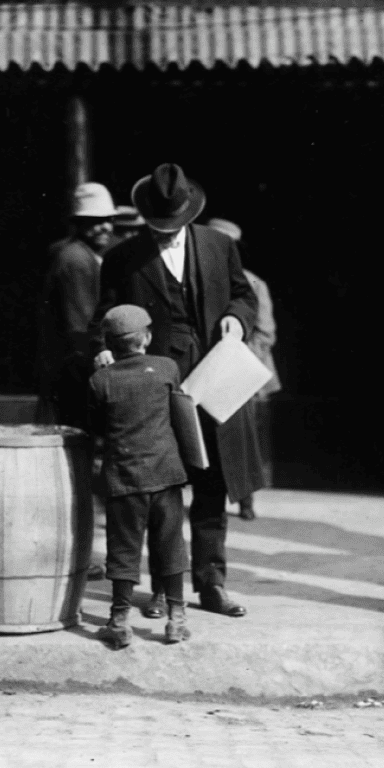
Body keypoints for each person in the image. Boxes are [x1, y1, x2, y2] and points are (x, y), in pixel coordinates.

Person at [91, 163, 264, 619]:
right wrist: (106, 350)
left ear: (190, 215)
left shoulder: (218, 245)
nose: (167, 235)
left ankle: (212, 584)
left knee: (212, 485)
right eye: (158, 228)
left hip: (216, 379)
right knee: (158, 491)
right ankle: (164, 589)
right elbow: (103, 319)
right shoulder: (122, 258)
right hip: (154, 390)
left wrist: (236, 319)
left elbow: (245, 296)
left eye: (174, 227)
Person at [89, 304, 192, 647]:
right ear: (146, 337)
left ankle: (119, 622)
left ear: (110, 344)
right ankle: (176, 619)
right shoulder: (166, 368)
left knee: (123, 548)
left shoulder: (101, 380)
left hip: (125, 478)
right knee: (170, 543)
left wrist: (102, 368)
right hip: (166, 473)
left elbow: (95, 424)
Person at [206, 217, 281, 521]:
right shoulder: (200, 282)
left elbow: (265, 333)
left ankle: (245, 497)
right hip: (208, 373)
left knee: (241, 438)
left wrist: (233, 361)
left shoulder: (253, 283)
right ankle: (213, 498)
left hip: (243, 373)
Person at [36, 183, 118, 429]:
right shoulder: (75, 260)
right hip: (75, 361)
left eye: (108, 219)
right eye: (94, 221)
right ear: (78, 224)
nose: (104, 227)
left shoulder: (93, 253)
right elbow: (80, 324)